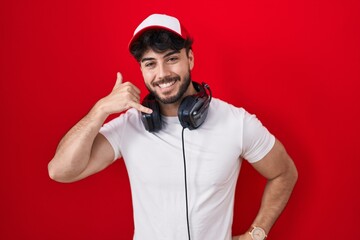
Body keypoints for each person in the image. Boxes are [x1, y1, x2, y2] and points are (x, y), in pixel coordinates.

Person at [48, 13, 298, 240]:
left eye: (171, 59)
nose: (162, 73)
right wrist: (100, 110)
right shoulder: (129, 125)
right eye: (150, 64)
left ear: (190, 58)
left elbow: (284, 172)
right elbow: (60, 171)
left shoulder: (236, 122)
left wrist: (257, 234)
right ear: (142, 70)